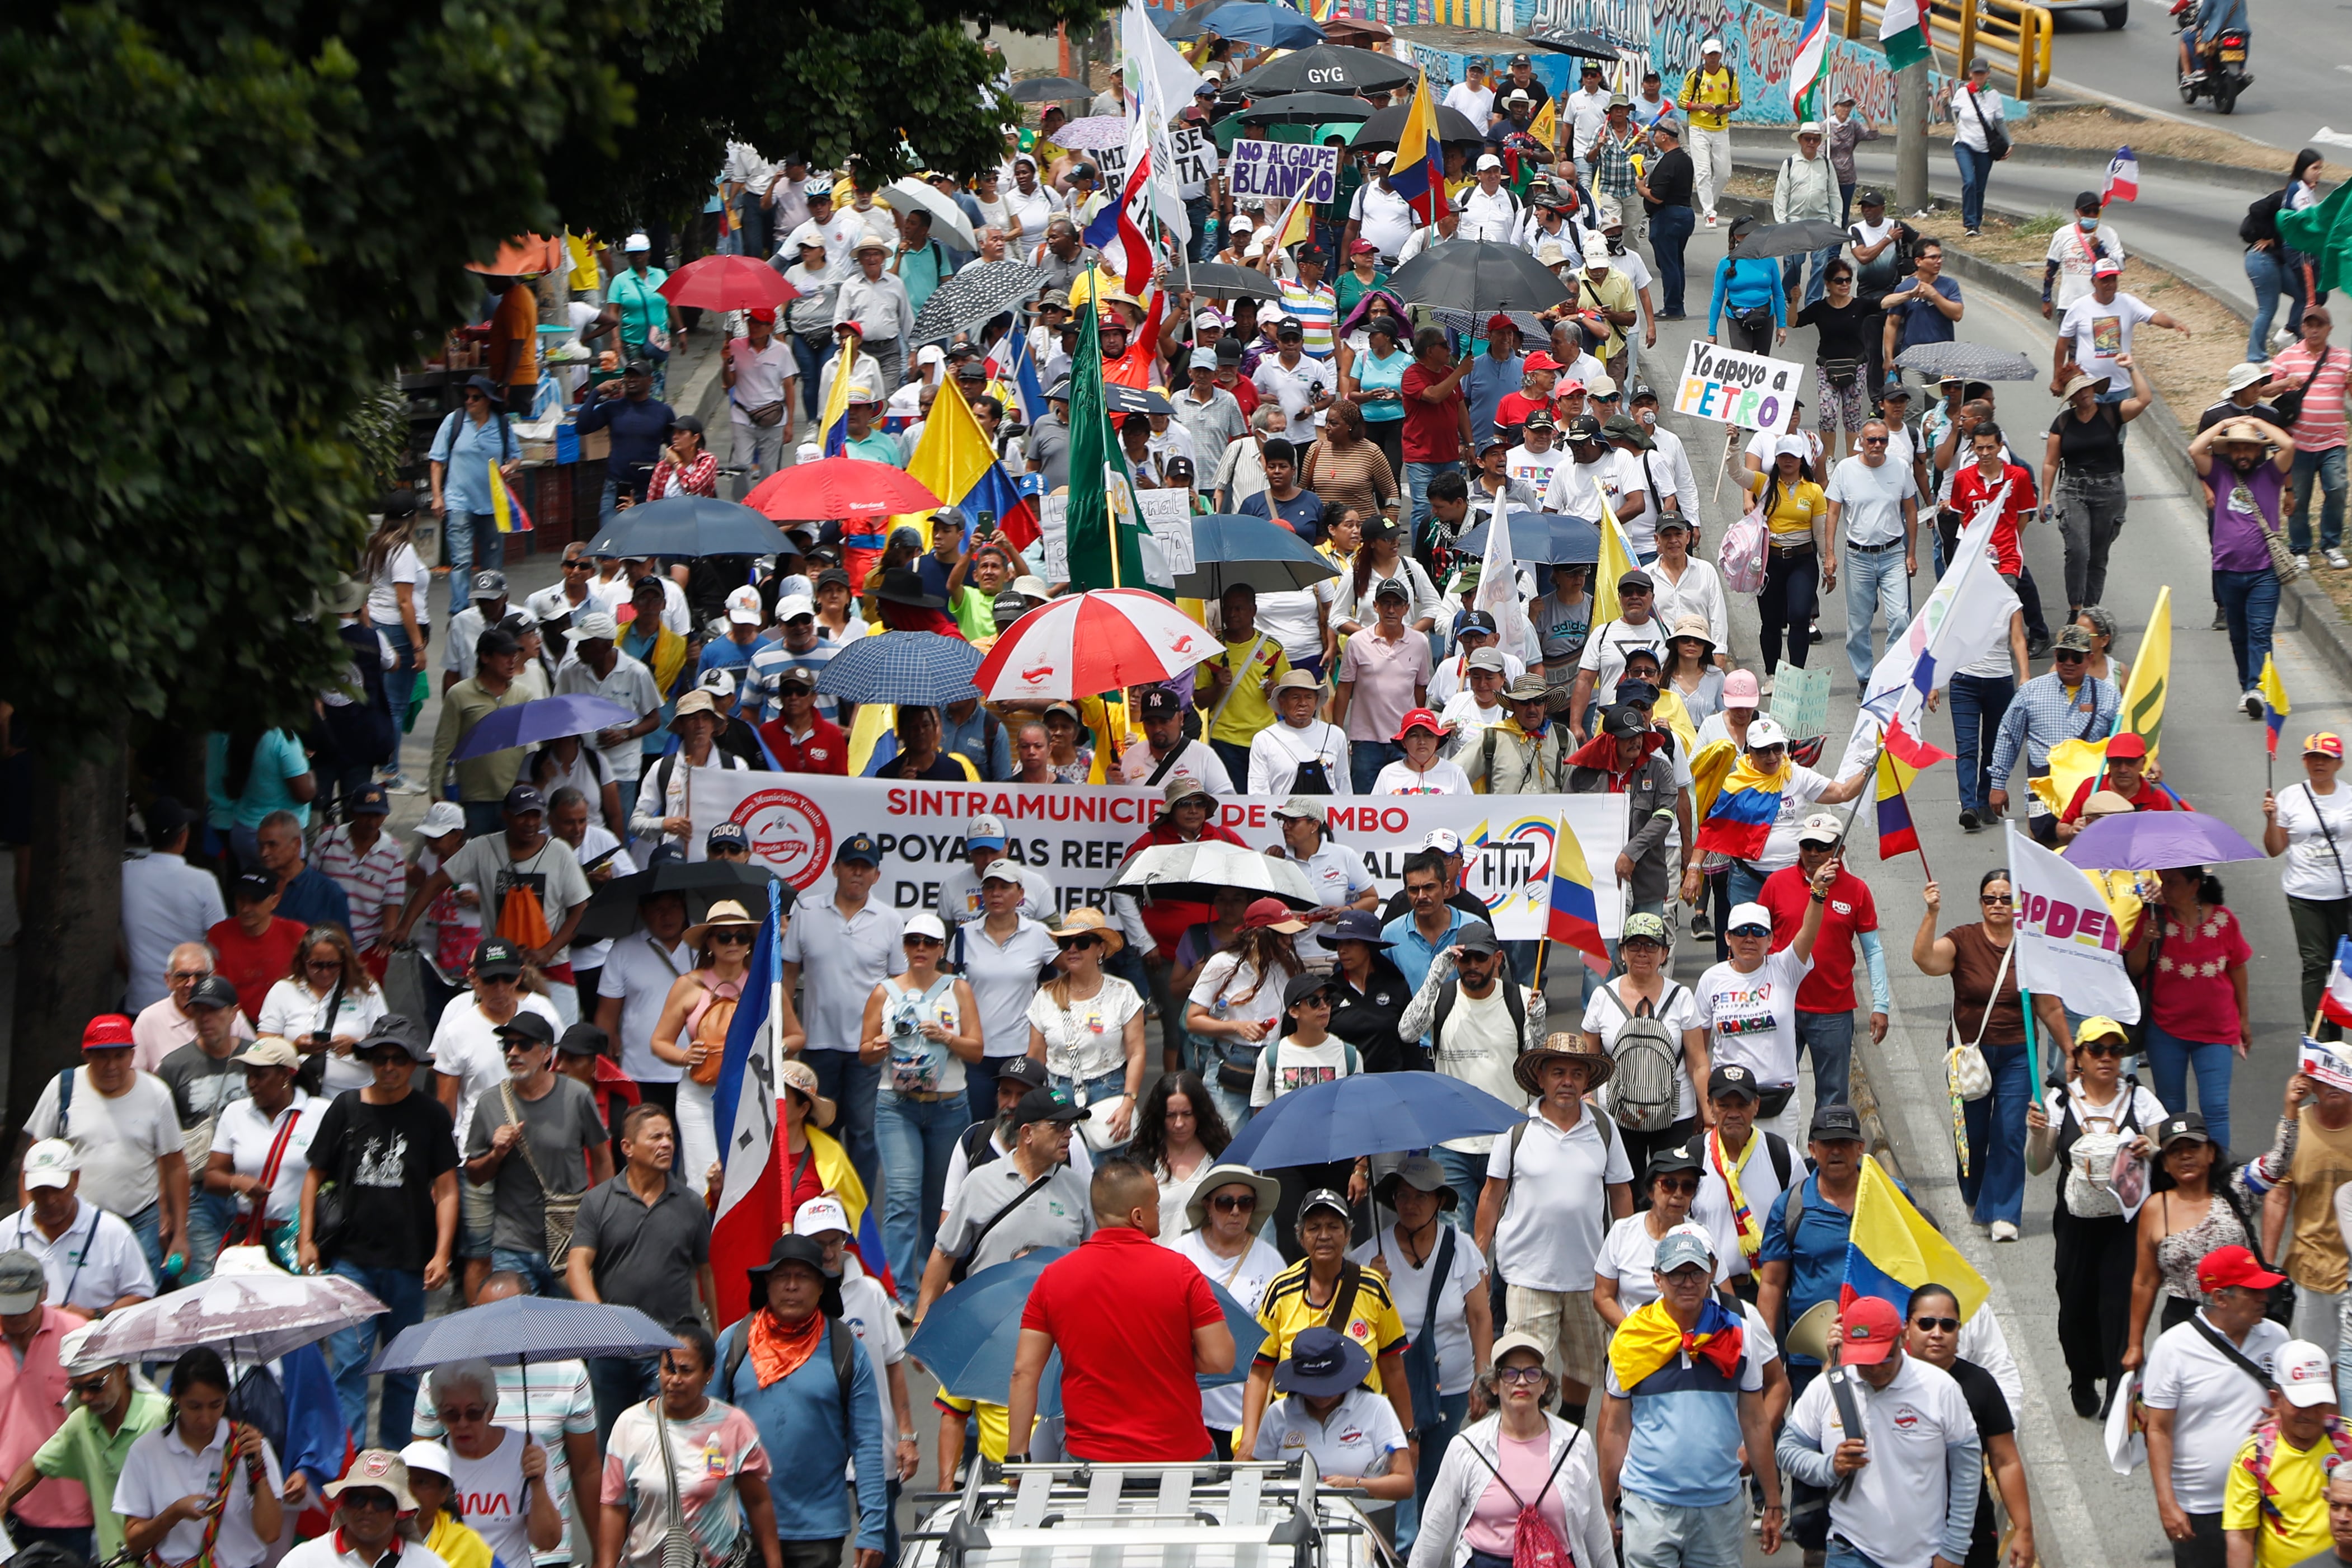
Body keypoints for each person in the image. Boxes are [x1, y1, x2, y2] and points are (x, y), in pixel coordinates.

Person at [1006, 1160, 1235, 1462]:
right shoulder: (1182, 1272)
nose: (1159, 1211)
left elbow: (1023, 1373)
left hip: (1091, 1459)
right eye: (1156, 1203)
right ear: (1137, 1216)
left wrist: (1017, 1458)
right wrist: (1171, 1353)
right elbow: (1221, 1359)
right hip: (1180, 1455)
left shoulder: (1052, 1278)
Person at [302, 1018, 458, 1446]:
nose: (389, 1067)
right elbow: (314, 1175)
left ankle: (396, 1462)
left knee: (404, 1369)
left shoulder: (431, 1115)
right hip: (351, 1261)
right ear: (369, 1060)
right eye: (381, 1058)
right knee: (347, 1366)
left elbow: (447, 1188)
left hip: (409, 1262)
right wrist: (306, 1240)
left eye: (399, 1059)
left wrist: (442, 1253)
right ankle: (347, 1460)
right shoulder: (346, 1107)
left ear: (413, 1065)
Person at [1597, 1223, 1783, 1566]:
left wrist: (1772, 1500)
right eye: (1676, 1274)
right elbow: (1616, 1427)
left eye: (1696, 1273)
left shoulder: (1738, 1331)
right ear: (1658, 1279)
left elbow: (1756, 1422)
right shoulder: (1633, 1335)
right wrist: (1606, 1505)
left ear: (1710, 1274)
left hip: (1719, 1508)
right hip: (1650, 1505)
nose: (1687, 1283)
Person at [1475, 1037, 1633, 1417]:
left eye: (1577, 1074)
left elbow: (1620, 1193)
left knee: (1585, 1366)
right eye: (1558, 1072)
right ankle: (1530, 1436)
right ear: (1541, 1078)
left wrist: (1627, 1256)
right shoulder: (1516, 1127)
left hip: (1588, 1277)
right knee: (1526, 1371)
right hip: (1527, 1275)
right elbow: (1491, 1196)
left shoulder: (1603, 1126)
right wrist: (1478, 1257)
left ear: (1587, 1082)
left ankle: (1572, 1430)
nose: (1567, 1082)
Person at [1914, 871, 2072, 1241]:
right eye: (1990, 898)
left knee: (2009, 1132)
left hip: (2018, 1054)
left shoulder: (2031, 947)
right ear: (1981, 903)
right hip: (1969, 1056)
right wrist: (1931, 913)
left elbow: (2049, 1007)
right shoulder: (1963, 939)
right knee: (1970, 1134)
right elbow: (1925, 960)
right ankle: (1975, 1195)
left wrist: (2070, 1050)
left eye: (2006, 899)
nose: (1998, 905)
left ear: (2018, 906)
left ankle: (2004, 1212)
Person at [711, 1234, 885, 1568]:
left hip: (818, 1532)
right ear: (767, 1284)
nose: (791, 1286)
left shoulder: (847, 1350)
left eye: (803, 1277)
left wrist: (874, 1528)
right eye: (782, 1276)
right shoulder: (732, 1343)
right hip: (741, 1528)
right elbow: (707, 1431)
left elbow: (867, 1444)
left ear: (821, 1286)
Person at [1777, 1294, 1982, 1568]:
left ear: (1902, 1337)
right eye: (1864, 1360)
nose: (1873, 1369)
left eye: (1883, 1358)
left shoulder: (1941, 1388)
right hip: (1848, 1550)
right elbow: (1787, 1451)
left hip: (1923, 1557)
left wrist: (1954, 1548)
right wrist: (1829, 1466)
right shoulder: (1827, 1388)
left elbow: (1967, 1470)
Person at [2027, 1018, 2166, 1417]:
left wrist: (2153, 1151)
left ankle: (2118, 1389)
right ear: (2079, 1056)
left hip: (2127, 1222)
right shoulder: (2059, 1102)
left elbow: (2165, 1155)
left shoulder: (2142, 1101)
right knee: (2075, 1301)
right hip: (2075, 1221)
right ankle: (2082, 1374)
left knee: (2118, 1302)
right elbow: (2036, 1165)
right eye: (2097, 1050)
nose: (2107, 1058)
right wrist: (2036, 1134)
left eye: (2115, 1050)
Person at [1407, 1329, 1618, 1568]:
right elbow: (1434, 1531)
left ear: (1544, 1385)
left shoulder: (1576, 1443)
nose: (1522, 1381)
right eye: (1510, 1373)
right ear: (1494, 1385)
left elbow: (1597, 1535)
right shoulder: (1466, 1447)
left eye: (1532, 1373)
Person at [568, 1104, 717, 1438]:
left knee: (668, 1440)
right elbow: (577, 1265)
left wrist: (717, 1334)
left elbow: (708, 1272)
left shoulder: (691, 1204)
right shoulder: (598, 1201)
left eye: (670, 1137)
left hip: (671, 1347)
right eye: (656, 1137)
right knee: (612, 1440)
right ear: (628, 1147)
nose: (666, 1144)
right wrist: (602, 1318)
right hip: (610, 1347)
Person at [1238, 1190, 1414, 1459]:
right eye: (1314, 1228)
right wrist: (1250, 1439)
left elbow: (1393, 1367)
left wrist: (1408, 1434)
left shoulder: (1373, 1287)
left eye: (1333, 1227)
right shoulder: (1281, 1290)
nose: (1324, 1235)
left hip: (1361, 1427)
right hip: (1295, 1426)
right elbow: (1261, 1370)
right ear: (1300, 1236)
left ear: (1348, 1235)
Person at [863, 912, 982, 1304]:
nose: (920, 949)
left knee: (940, 1203)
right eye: (913, 941)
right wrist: (878, 1046)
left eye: (929, 943)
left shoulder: (958, 989)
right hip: (897, 1106)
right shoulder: (883, 992)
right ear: (903, 946)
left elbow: (977, 1050)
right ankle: (898, 1293)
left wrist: (946, 1038)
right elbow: (864, 1053)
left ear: (941, 949)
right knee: (901, 1196)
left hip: (948, 1106)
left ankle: (932, 1288)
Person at [778, 834, 905, 1195]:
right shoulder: (807, 911)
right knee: (820, 1129)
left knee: (864, 1133)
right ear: (835, 869)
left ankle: (858, 1212)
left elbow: (899, 986)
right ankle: (816, 1203)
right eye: (851, 866)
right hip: (818, 1044)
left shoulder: (891, 920)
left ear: (877, 876)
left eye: (865, 868)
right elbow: (788, 975)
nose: (857, 873)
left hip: (868, 1049)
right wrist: (787, 1029)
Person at [18, 1015, 185, 1279]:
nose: (112, 1066)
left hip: (141, 1220)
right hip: (76, 1221)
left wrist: (181, 1234)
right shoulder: (63, 1088)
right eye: (102, 1057)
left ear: (133, 1056)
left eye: (120, 1056)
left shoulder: (156, 1093)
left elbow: (175, 1165)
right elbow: (32, 1161)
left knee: (141, 1293)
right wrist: (28, 1223)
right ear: (86, 1056)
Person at [597, 1326, 780, 1568]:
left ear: (709, 1374)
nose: (675, 1380)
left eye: (686, 1371)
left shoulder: (733, 1425)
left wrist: (774, 1563)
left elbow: (757, 1501)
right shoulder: (629, 1425)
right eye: (669, 1369)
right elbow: (614, 1506)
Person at [914, 1087, 1092, 1320]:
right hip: (985, 1321)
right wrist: (920, 1320)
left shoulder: (1080, 1188)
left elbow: (1096, 1260)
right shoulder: (980, 1182)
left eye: (1069, 1126)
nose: (1069, 1134)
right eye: (1059, 1126)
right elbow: (943, 1253)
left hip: (1056, 1324)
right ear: (1027, 1133)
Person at [1902, 1284, 2036, 1568]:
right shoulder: (1887, 1383)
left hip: (1972, 1530)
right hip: (1902, 1533)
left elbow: (2005, 1460)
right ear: (1906, 1329)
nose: (1937, 1333)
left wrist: (2024, 1530)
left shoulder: (1982, 1385)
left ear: (1959, 1332)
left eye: (1948, 1325)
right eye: (1926, 1324)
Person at [115, 1348, 284, 1568]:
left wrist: (258, 1467)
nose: (205, 1419)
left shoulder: (250, 1446)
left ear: (227, 1397)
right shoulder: (146, 1450)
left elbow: (271, 1533)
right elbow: (135, 1542)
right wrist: (175, 1513)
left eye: (216, 1405)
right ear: (175, 1396)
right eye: (194, 1407)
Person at [1694, 879, 1832, 1145]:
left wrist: (1817, 895)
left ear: (1770, 939)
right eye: (1741, 931)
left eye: (1758, 932)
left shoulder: (1785, 968)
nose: (1749, 938)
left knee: (1779, 1170)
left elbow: (1809, 932)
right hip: (1729, 1102)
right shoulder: (1711, 980)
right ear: (1727, 938)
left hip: (1778, 1101)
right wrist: (1705, 1106)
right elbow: (1699, 1052)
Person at [2127, 867, 2253, 1154]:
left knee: (2216, 1108)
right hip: (2165, 1031)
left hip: (2216, 1032)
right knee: (2171, 1107)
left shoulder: (2224, 920)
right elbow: (2134, 968)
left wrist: (2244, 1020)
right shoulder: (2153, 918)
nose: (2164, 889)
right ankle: (2174, 1168)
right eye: (2163, 882)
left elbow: (2238, 969)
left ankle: (2218, 1170)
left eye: (2172, 883)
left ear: (2194, 886)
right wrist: (2145, 941)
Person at [4, 1350, 168, 1566]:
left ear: (122, 1370)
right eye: (77, 1389)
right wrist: (3, 1502)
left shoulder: (161, 1415)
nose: (85, 1398)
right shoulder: (80, 1422)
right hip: (114, 1559)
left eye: (95, 1386)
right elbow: (37, 1465)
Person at [1579, 912, 1705, 1180]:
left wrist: (1708, 1115)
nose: (1642, 953)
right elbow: (1588, 1061)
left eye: (1651, 946)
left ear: (1664, 954)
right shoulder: (1602, 997)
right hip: (1617, 1115)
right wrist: (1588, 1101)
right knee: (1625, 1190)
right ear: (1622, 952)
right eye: (1634, 945)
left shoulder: (1682, 997)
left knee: (1673, 1188)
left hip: (1676, 1116)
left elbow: (1698, 1062)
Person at [2190, 416, 2297, 716]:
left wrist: (2256, 422)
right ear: (2229, 452)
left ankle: (2257, 689)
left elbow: (2289, 445)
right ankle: (2247, 688)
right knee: (2238, 634)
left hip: (2265, 572)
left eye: (2248, 448)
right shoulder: (2219, 474)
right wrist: (2225, 423)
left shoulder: (2271, 474)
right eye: (2236, 448)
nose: (2242, 454)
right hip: (2227, 571)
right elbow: (2195, 450)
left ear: (2259, 450)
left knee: (2260, 632)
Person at [1247, 1327, 1414, 1500]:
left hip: (1359, 1514)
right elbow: (1258, 1481)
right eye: (1311, 1388)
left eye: (1330, 1386)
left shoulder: (1377, 1407)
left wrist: (1355, 1485)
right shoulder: (1278, 1414)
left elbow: (1405, 1483)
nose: (1321, 1396)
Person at [199, 1035, 321, 1273]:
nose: (251, 1084)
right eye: (248, 1075)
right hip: (249, 1239)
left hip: (297, 1240)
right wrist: (238, 1182)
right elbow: (212, 1177)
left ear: (285, 1076)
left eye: (260, 1076)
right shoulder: (235, 1113)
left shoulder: (319, 1112)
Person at [1988, 627, 2121, 842]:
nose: (2069, 662)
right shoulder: (2030, 692)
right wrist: (1998, 784)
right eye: (2062, 656)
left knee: (2089, 854)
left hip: (2090, 794)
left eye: (2076, 657)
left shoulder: (2108, 696)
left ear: (2089, 659)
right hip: (2043, 794)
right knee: (2044, 853)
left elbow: (2120, 743)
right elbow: (2008, 737)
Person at [2043, 358, 2153, 618]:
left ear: (2094, 388)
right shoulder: (2062, 423)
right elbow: (2051, 462)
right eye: (2077, 391)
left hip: (2109, 489)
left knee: (2098, 555)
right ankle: (2075, 609)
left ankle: (2090, 613)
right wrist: (2045, 498)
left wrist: (2131, 368)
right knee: (2078, 549)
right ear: (2071, 398)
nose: (2084, 394)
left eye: (2086, 388)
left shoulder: (2112, 413)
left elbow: (2144, 399)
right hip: (2073, 489)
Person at [0, 1249, 90, 1559]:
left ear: (44, 1293)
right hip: (6, 1510)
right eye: (6, 1308)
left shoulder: (78, 1335)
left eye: (23, 1307)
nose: (15, 1318)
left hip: (70, 1512)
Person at [2223, 1338, 2344, 1568]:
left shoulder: (2347, 1441)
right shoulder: (2253, 1457)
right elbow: (2241, 1535)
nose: (2310, 1413)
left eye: (2319, 1403)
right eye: (2301, 1403)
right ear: (2276, 1400)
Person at [3, 1142, 154, 1317]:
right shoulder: (6, 1232)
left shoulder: (112, 1232)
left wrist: (94, 1315)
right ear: (25, 1183)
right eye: (40, 1191)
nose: (50, 1200)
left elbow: (143, 1294)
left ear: (75, 1178)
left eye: (57, 1189)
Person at [2268, 734, 2352, 1040]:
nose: (2319, 763)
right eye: (2313, 757)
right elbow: (2275, 849)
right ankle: (2321, 1039)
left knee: (2342, 966)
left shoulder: (2349, 796)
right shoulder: (2290, 797)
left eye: (2326, 758)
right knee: (2316, 965)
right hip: (2305, 894)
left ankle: (2340, 1025)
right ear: (2304, 761)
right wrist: (2271, 819)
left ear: (2339, 763)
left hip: (2345, 896)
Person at [1825, 414, 1919, 687]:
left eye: (1883, 440)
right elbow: (1833, 513)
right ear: (1861, 442)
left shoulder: (1900, 467)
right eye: (1872, 440)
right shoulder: (1846, 469)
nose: (1877, 445)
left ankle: (1890, 676)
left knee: (1900, 617)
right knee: (1858, 626)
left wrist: (1911, 553)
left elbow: (1911, 511)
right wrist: (1829, 554)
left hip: (1893, 554)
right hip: (1858, 558)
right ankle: (1865, 678)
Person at [1726, 435, 1827, 673]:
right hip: (1771, 561)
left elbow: (1820, 533)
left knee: (1799, 616)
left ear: (1801, 460)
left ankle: (1796, 675)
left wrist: (1827, 563)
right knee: (1771, 621)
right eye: (1783, 456)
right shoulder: (1764, 484)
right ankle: (1772, 673)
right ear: (1776, 459)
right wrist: (1734, 445)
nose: (1788, 461)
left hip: (1802, 561)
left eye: (1793, 456)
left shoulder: (1814, 491)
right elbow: (1736, 473)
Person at [121, 800, 228, 1013]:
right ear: (183, 837)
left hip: (140, 1001)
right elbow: (221, 944)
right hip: (191, 1003)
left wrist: (130, 971)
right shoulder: (203, 881)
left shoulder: (125, 873)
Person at [2268, 306, 2349, 567]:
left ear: (2329, 329)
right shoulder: (2287, 357)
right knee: (2299, 497)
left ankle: (2331, 545)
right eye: (2309, 325)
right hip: (2298, 443)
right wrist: (2285, 382)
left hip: (2333, 441)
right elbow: (2264, 390)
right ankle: (2300, 548)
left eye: (2319, 325)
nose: (2314, 330)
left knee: (2337, 489)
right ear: (2303, 328)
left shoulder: (2344, 359)